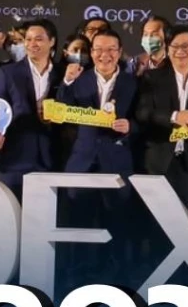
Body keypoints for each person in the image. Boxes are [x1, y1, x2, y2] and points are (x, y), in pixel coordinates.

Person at [57, 28, 142, 286]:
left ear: (120, 52)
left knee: (118, 222)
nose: (105, 55)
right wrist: (66, 82)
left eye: (111, 50)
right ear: (91, 53)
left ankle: (116, 279)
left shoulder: (133, 82)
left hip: (117, 160)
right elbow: (60, 109)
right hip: (82, 161)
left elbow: (143, 118)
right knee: (78, 222)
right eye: (99, 50)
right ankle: (77, 277)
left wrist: (131, 127)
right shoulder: (77, 79)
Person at [135, 25, 188, 220]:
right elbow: (142, 113)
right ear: (167, 48)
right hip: (160, 161)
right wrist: (174, 116)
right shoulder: (152, 77)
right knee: (159, 223)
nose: (181, 51)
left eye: (186, 46)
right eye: (175, 46)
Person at [0, 18, 65, 195]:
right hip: (15, 159)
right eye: (28, 39)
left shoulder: (64, 73)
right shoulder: (8, 72)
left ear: (52, 41)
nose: (32, 44)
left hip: (54, 157)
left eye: (38, 39)